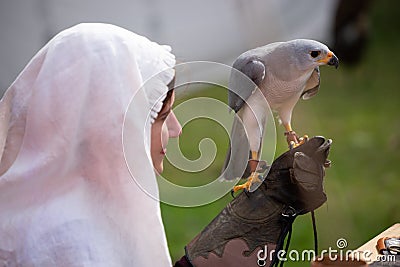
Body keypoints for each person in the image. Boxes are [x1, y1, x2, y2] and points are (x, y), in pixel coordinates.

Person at [0, 23, 181, 266]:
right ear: (109, 127)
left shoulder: (76, 213)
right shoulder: (75, 246)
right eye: (161, 116)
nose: (176, 129)